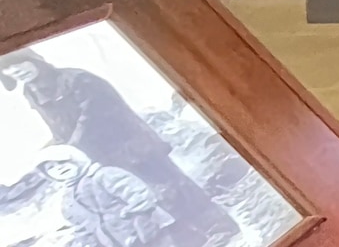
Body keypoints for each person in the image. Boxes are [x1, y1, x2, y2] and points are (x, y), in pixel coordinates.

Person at [0, 46, 237, 243]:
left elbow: (92, 118)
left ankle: (220, 228)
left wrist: (71, 148)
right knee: (146, 204)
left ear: (33, 59)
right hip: (104, 157)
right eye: (6, 68)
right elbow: (59, 129)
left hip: (133, 147)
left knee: (171, 187)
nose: (15, 70)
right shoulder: (31, 93)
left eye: (17, 62)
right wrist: (55, 151)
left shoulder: (78, 80)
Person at [35, 146, 175, 247]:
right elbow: (82, 228)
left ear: (76, 159)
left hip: (148, 233)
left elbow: (141, 197)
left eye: (62, 162)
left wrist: (140, 225)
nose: (59, 168)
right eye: (51, 168)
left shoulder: (105, 175)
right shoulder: (68, 201)